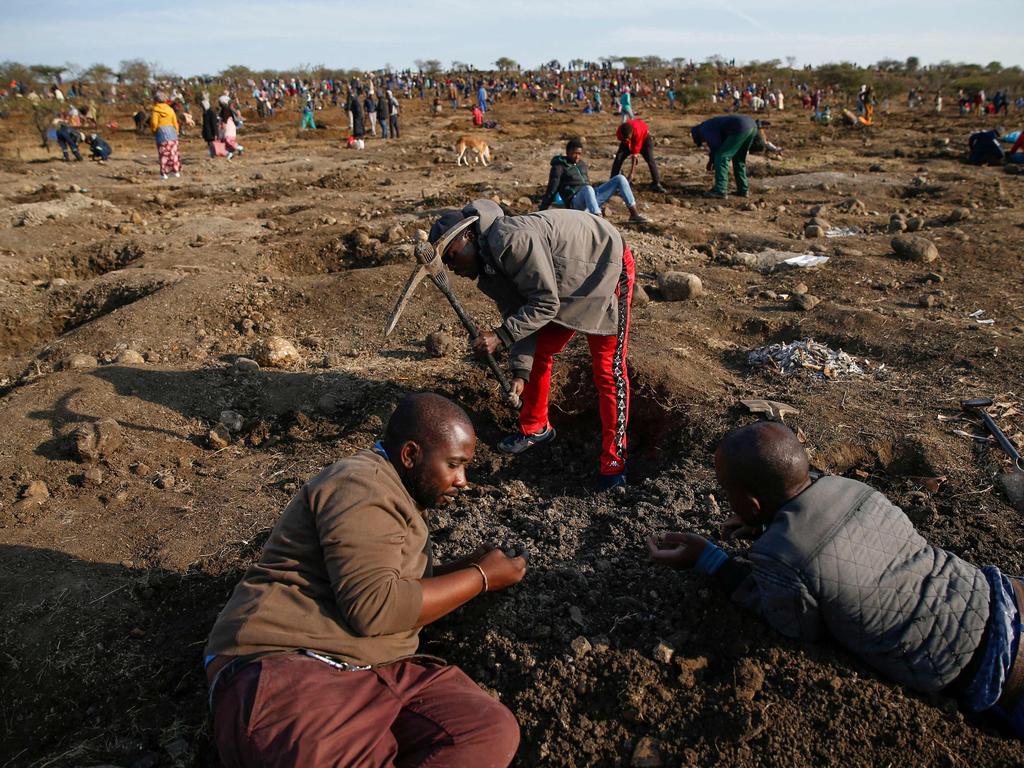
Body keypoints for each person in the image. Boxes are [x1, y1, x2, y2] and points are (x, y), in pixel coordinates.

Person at [205, 393, 524, 767]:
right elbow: (376, 608)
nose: (462, 481)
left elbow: (384, 585)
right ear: (410, 455)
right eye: (454, 465)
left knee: (485, 730)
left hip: (374, 670)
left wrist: (463, 570)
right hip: (290, 665)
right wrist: (481, 577)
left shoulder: (394, 492)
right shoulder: (362, 485)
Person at [649, 420, 1024, 737]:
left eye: (730, 495)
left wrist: (712, 560)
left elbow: (793, 626)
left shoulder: (780, 558)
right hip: (1000, 592)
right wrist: (764, 524)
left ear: (751, 504)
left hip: (993, 670)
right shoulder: (856, 490)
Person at [429, 199, 634, 489]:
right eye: (445, 264)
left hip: (603, 263)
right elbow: (520, 314)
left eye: (451, 256)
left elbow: (545, 303)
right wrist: (520, 371)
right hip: (563, 283)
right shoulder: (488, 270)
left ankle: (615, 463)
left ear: (469, 236)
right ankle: (536, 427)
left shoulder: (511, 240)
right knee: (539, 352)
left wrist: (500, 336)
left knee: (607, 369)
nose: (451, 267)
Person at [539, 137, 649, 223]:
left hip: (590, 198)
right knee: (588, 188)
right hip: (575, 202)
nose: (577, 156)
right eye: (574, 153)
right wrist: (542, 210)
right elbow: (552, 189)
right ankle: (598, 220)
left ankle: (634, 214)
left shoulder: (581, 164)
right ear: (567, 152)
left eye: (579, 154)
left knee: (619, 178)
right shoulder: (559, 167)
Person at [690, 114, 758, 198]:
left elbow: (716, 146)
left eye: (702, 141)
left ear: (698, 136)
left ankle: (720, 190)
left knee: (721, 157)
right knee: (739, 159)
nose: (704, 141)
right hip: (752, 125)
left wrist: (712, 160)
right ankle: (743, 189)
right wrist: (712, 159)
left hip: (740, 127)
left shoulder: (705, 129)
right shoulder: (711, 124)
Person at [610, 119, 667, 193]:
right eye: (626, 139)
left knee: (650, 160)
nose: (628, 140)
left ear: (632, 133)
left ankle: (656, 183)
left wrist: (631, 173)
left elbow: (634, 155)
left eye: (629, 138)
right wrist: (627, 142)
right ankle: (612, 183)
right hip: (628, 139)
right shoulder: (619, 133)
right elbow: (626, 142)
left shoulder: (637, 132)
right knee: (618, 159)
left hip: (644, 139)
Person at [149, 92, 181, 179]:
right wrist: (177, 132)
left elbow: (154, 123)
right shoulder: (170, 110)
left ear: (156, 100)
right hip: (172, 133)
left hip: (161, 133)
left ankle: (164, 174)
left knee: (163, 154)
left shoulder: (155, 110)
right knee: (173, 153)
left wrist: (153, 130)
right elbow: (175, 122)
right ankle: (176, 171)